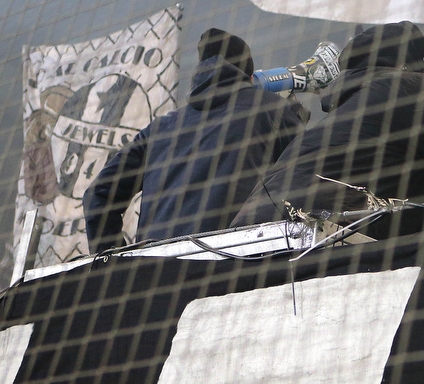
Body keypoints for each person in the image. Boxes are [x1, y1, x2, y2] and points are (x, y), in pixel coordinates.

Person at [231, 21, 424, 239]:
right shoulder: (404, 89)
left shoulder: (354, 113)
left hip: (254, 239)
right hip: (308, 233)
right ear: (409, 67)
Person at [83, 29, 305, 252]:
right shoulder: (269, 109)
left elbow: (97, 196)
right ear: (248, 77)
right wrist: (293, 116)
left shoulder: (158, 129)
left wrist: (116, 267)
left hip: (151, 270)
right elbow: (308, 172)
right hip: (228, 264)